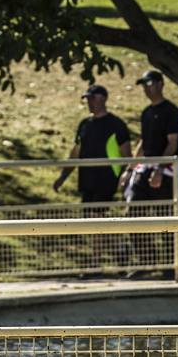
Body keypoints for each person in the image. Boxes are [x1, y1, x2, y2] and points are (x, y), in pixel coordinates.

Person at [52, 84, 133, 272]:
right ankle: (119, 249)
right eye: (87, 99)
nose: (90, 102)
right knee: (92, 221)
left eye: (93, 98)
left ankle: (94, 264)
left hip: (106, 179)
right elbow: (76, 151)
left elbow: (127, 154)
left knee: (96, 218)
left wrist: (125, 176)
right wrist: (63, 175)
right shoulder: (84, 124)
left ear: (103, 98)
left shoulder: (116, 125)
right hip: (86, 179)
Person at [120, 69, 178, 204]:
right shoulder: (146, 113)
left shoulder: (171, 111)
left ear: (160, 85)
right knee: (134, 209)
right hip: (145, 167)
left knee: (164, 215)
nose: (146, 88)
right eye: (144, 85)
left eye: (149, 83)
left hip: (166, 171)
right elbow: (143, 143)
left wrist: (160, 169)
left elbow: (173, 143)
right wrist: (129, 169)